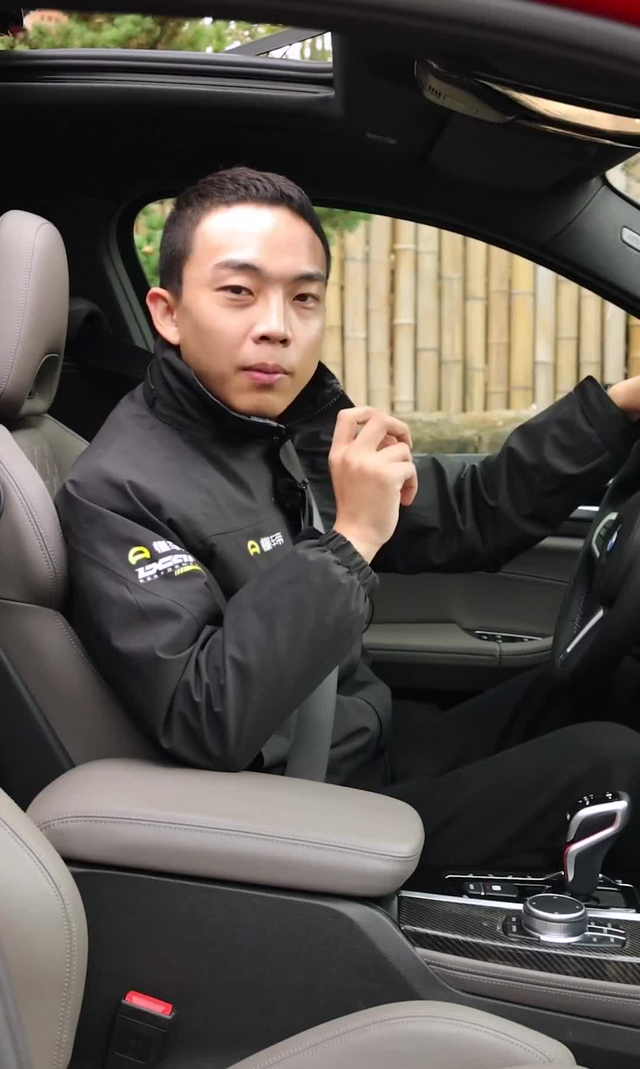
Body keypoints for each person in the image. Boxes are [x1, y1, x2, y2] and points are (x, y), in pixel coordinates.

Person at [56, 166, 640, 874]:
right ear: (168, 312)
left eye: (303, 298)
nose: (276, 327)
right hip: (303, 809)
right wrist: (352, 538)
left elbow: (471, 512)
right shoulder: (116, 490)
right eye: (238, 292)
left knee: (604, 689)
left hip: (366, 742)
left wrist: (617, 410)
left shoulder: (277, 434)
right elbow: (205, 718)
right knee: (616, 764)